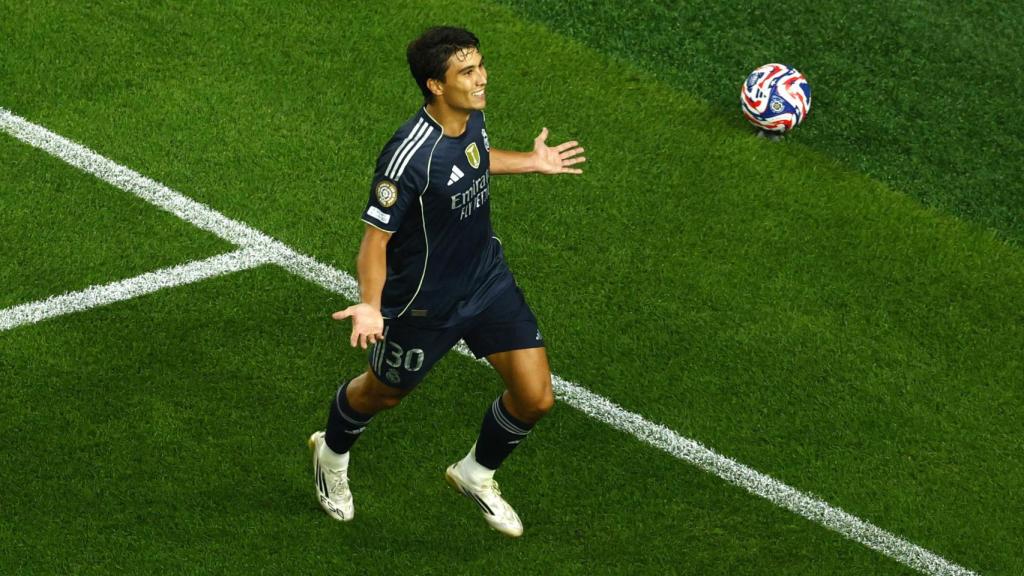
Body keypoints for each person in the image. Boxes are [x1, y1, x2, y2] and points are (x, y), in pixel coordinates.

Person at [308, 26, 585, 538]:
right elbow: (375, 241)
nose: (482, 79)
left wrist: (531, 162)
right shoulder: (407, 158)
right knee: (382, 394)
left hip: (485, 280)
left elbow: (474, 162)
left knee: (535, 398)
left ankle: (474, 474)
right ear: (436, 85)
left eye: (480, 66)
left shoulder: (472, 116)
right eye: (467, 72)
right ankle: (331, 453)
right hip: (423, 304)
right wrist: (370, 304)